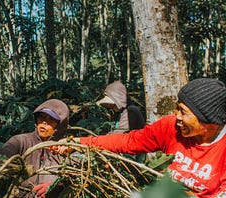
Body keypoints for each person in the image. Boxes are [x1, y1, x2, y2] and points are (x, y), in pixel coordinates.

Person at [60, 78, 226, 197]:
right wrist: (78, 143)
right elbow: (128, 141)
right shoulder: (170, 127)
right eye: (177, 108)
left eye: (183, 111)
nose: (177, 116)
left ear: (209, 122)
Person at [0, 99, 69, 198]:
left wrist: (57, 186)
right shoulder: (21, 141)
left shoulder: (65, 147)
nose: (44, 122)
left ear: (60, 125)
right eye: (41, 117)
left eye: (51, 120)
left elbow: (74, 177)